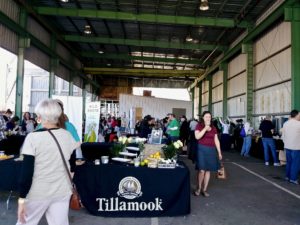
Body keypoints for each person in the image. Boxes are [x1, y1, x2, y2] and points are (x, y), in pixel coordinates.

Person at [16, 99, 80, 225]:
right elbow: (72, 163)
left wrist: (22, 199)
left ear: (39, 117)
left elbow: (27, 172)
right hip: (62, 191)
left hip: (38, 192)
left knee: (25, 222)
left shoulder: (33, 137)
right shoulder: (67, 135)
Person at [194, 111, 222, 197]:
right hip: (201, 149)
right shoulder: (199, 125)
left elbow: (216, 140)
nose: (208, 118)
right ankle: (198, 188)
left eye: (209, 117)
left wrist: (219, 152)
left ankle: (204, 189)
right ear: (203, 117)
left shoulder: (213, 127)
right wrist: (205, 128)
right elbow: (197, 137)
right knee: (202, 170)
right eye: (206, 116)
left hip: (211, 150)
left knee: (208, 170)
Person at [281, 110, 300, 185]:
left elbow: (283, 136)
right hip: (296, 147)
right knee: (295, 164)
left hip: (287, 146)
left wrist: (286, 143)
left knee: (289, 162)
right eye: (299, 115)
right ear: (296, 115)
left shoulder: (285, 123)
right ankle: (293, 179)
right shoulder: (299, 124)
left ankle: (288, 176)